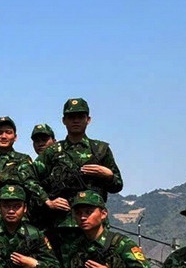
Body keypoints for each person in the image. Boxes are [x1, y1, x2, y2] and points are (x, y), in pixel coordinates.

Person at [36, 98, 122, 239]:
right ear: (64, 120)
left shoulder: (100, 150)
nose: (75, 120)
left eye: (80, 117)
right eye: (71, 117)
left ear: (88, 120)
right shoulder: (53, 151)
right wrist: (47, 200)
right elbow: (27, 175)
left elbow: (117, 185)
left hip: (94, 227)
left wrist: (108, 175)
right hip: (62, 226)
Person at [0, 116, 47, 230]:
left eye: (8, 132)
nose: (3, 136)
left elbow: (28, 181)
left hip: (19, 222)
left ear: (15, 137)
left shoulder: (23, 159)